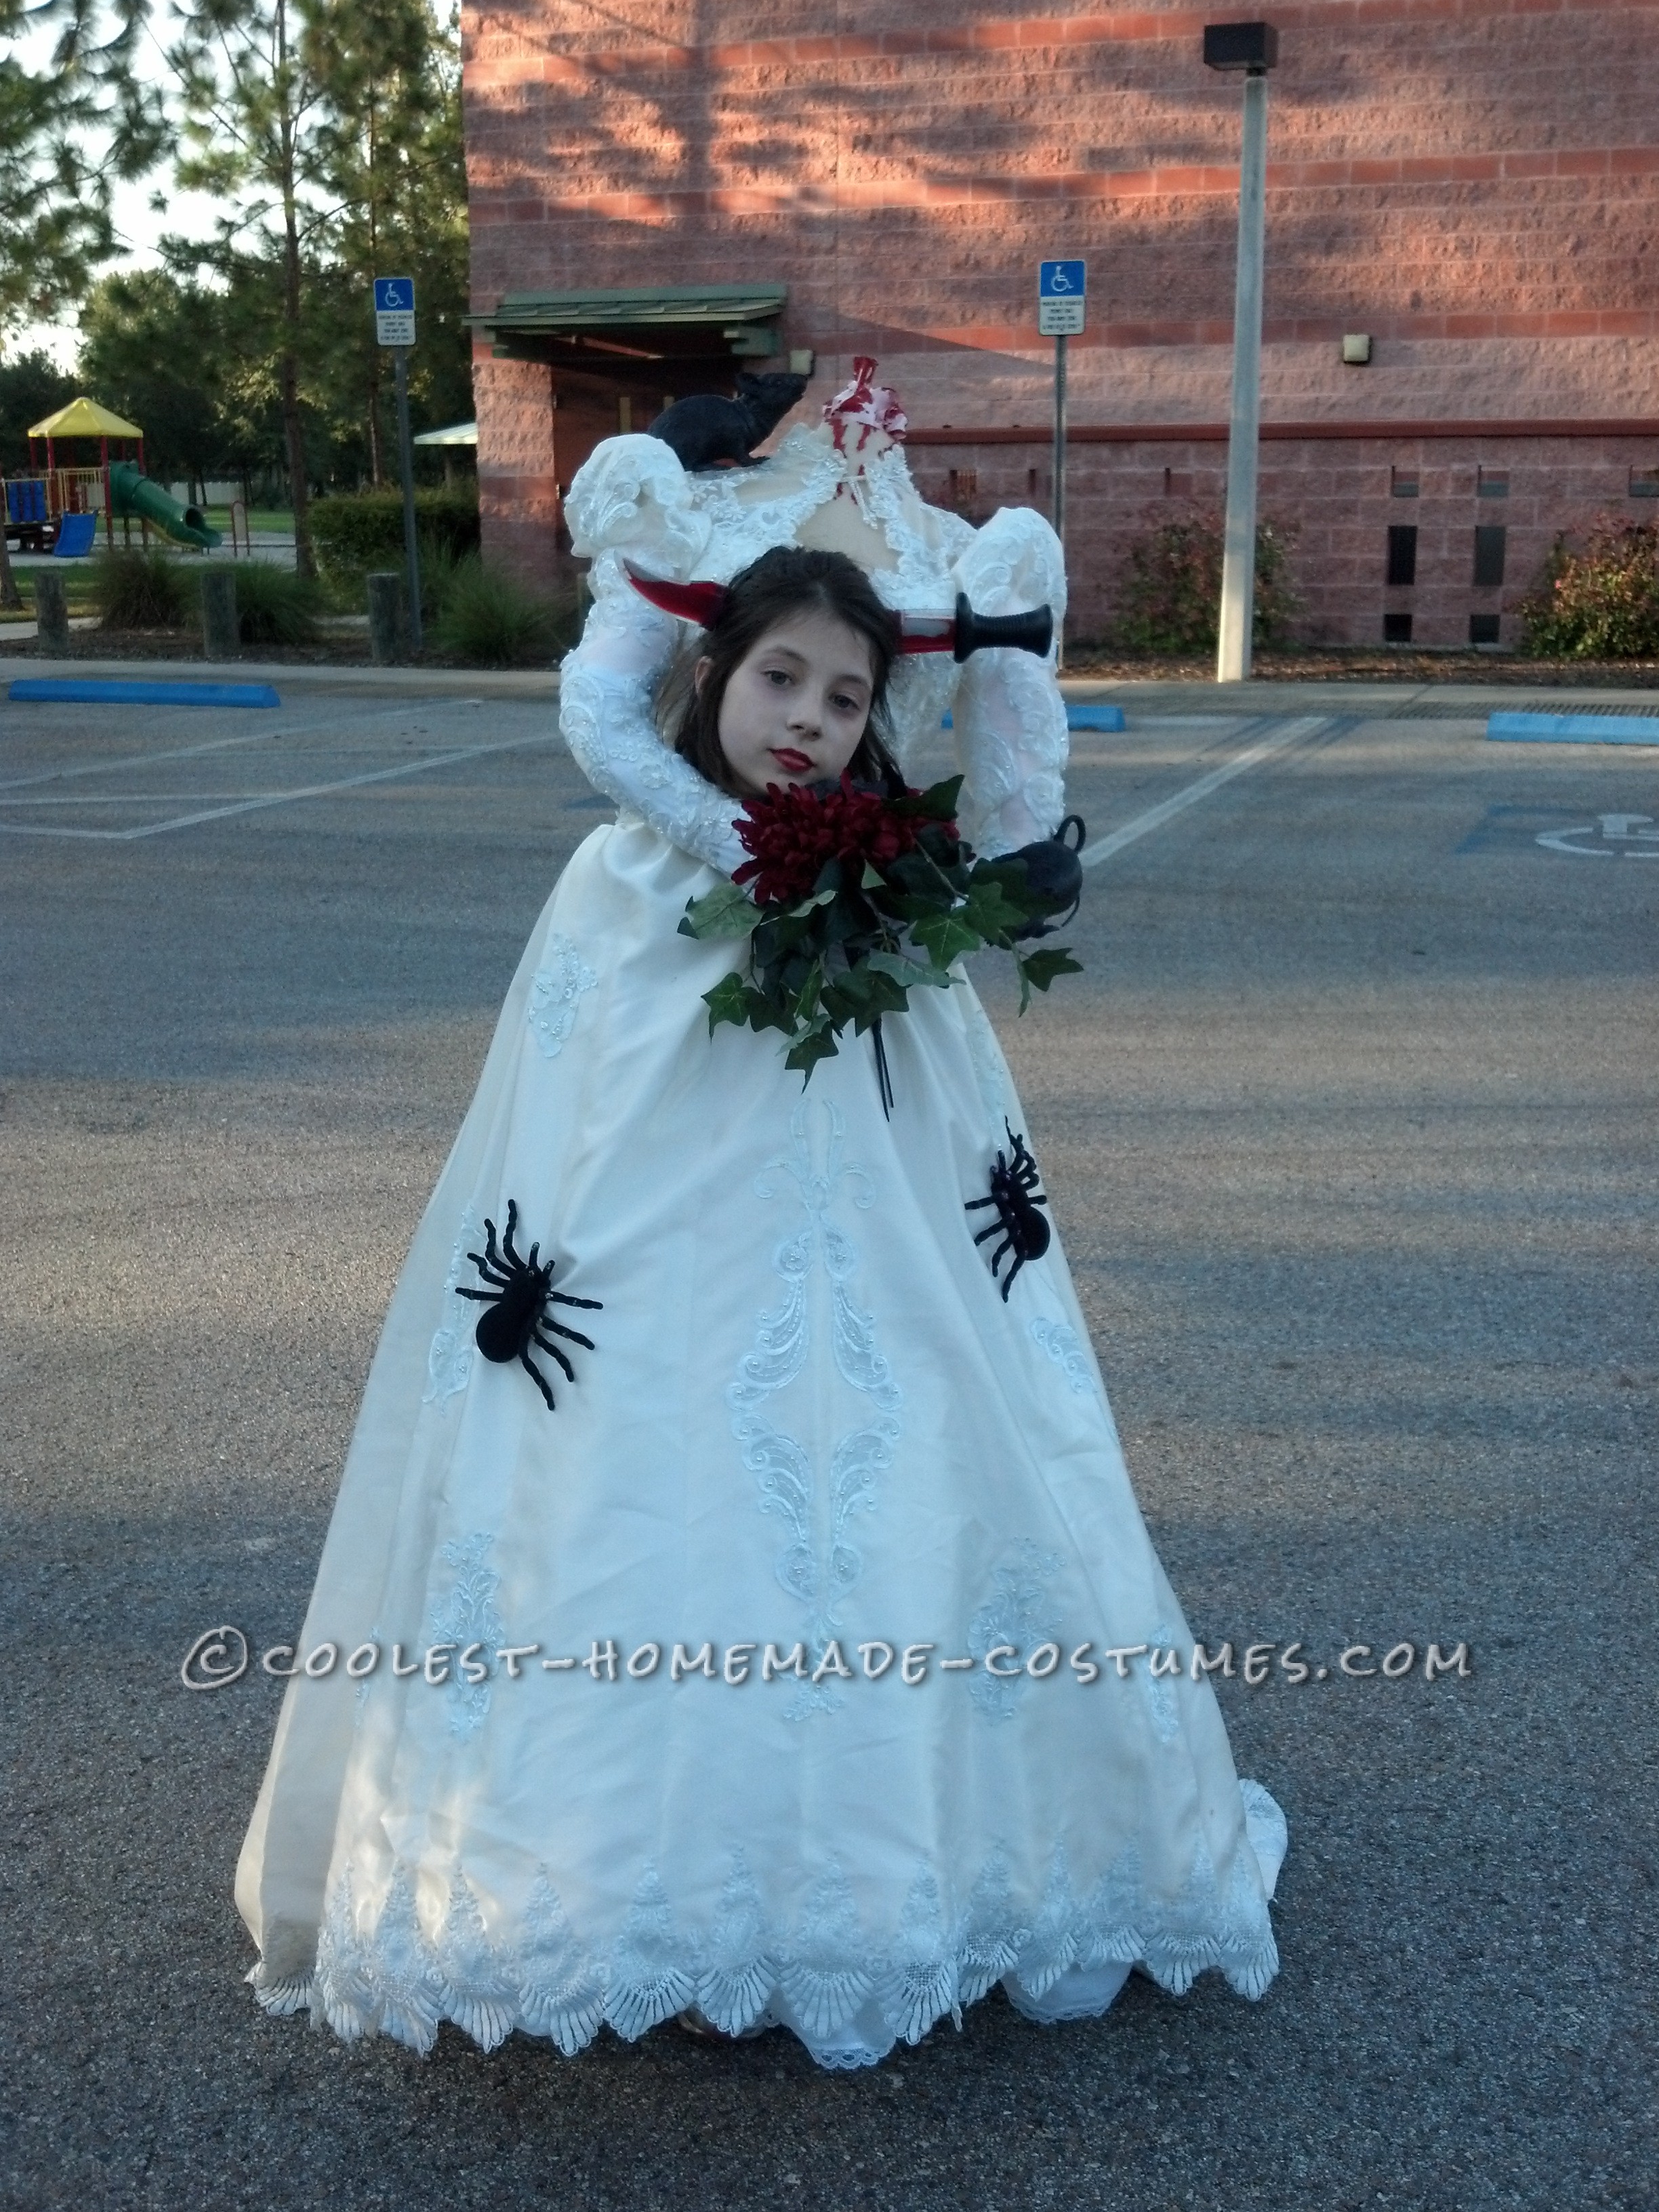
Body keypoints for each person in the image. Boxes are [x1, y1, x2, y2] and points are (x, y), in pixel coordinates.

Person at [236, 453, 1286, 2075]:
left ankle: (905, 1859)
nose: (808, 718)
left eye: (848, 697)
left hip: (873, 1241)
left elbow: (961, 1016)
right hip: (641, 1265)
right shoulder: (618, 881)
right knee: (637, 1481)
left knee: (913, 1435)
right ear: (713, 671)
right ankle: (596, 1875)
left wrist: (1012, 853)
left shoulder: (884, 892)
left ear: (880, 720)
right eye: (780, 677)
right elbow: (569, 1109)